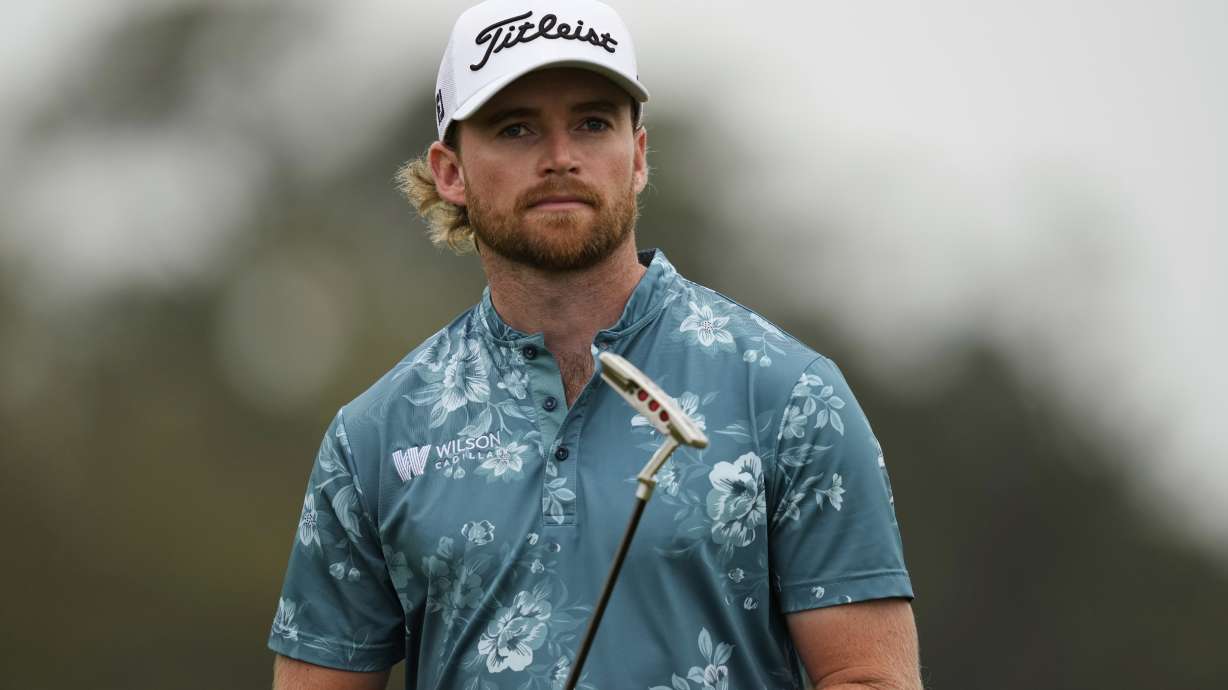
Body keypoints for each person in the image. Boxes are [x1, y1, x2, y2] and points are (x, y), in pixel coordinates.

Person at [268, 1, 920, 688]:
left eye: (592, 123)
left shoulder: (791, 398)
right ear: (450, 171)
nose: (560, 158)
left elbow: (867, 677)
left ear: (637, 155)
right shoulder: (375, 438)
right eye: (515, 128)